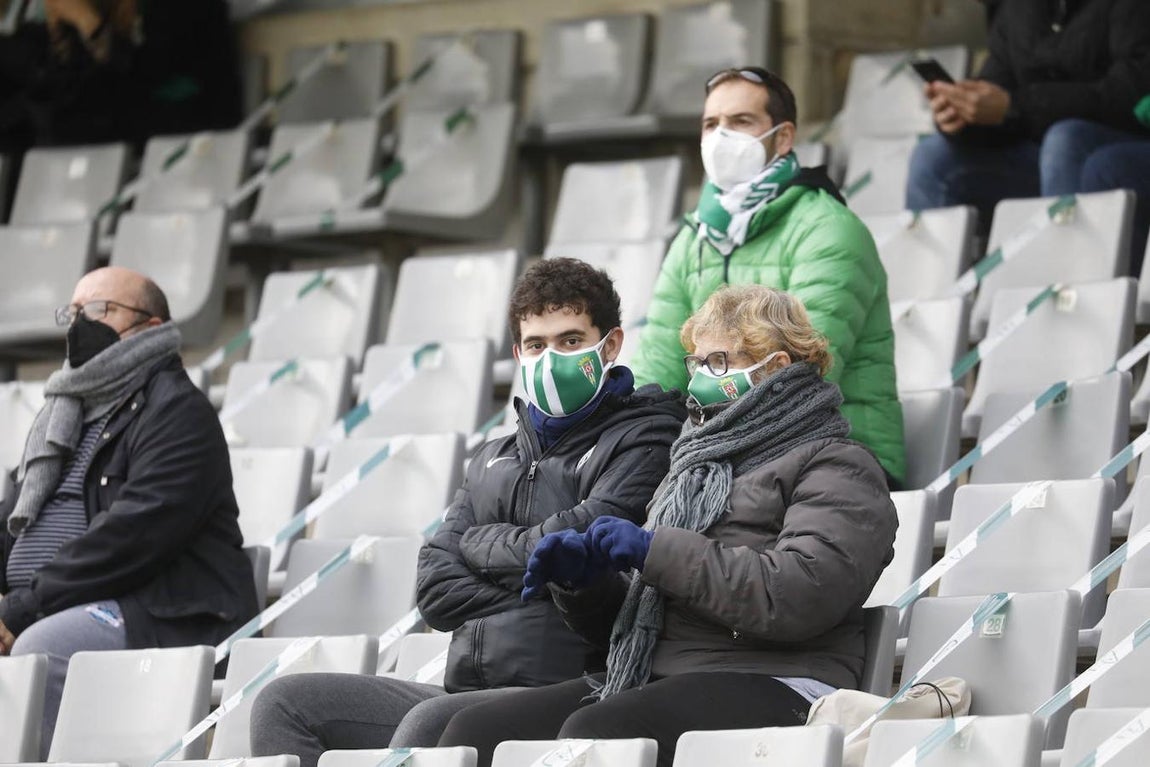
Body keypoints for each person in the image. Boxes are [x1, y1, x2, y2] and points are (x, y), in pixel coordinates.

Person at [435, 285, 899, 767]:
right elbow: (631, 620)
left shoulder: (839, 465)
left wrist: (655, 551)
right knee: (476, 732)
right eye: (696, 363)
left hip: (782, 678)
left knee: (599, 733)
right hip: (661, 671)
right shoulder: (691, 465)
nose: (700, 378)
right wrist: (583, 584)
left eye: (718, 362)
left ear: (776, 367)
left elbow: (799, 595)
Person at [249, 258, 686, 767]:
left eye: (570, 341)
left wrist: (480, 548)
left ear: (609, 346)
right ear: (518, 353)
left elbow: (584, 549)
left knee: (431, 726)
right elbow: (435, 591)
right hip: (464, 691)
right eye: (536, 345)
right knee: (284, 704)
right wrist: (537, 582)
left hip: (577, 686)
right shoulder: (493, 456)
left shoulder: (646, 437)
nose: (551, 359)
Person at [0, 266, 258, 756]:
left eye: (100, 310)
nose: (81, 324)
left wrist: (22, 608)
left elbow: (132, 536)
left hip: (156, 610)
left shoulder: (178, 411)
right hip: (54, 599)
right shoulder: (61, 413)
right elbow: (11, 517)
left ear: (151, 325)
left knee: (42, 649)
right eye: (73, 312)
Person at [630, 66, 905, 487]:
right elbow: (657, 367)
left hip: (839, 457)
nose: (722, 137)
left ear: (784, 137)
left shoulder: (828, 228)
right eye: (711, 124)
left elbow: (802, 381)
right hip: (720, 454)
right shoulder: (695, 237)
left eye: (741, 121)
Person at [905, 0, 1150, 270]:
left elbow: (1131, 92)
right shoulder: (1017, 8)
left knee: (1065, 140)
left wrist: (1015, 106)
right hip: (1038, 156)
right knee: (933, 156)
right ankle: (925, 290)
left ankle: (1064, 285)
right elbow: (996, 87)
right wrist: (963, 114)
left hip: (1116, 143)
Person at [0, 0, 242, 149]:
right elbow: (62, 106)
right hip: (110, 151)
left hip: (188, 137)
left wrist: (89, 24)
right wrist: (61, 39)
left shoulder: (179, 8)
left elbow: (139, 78)